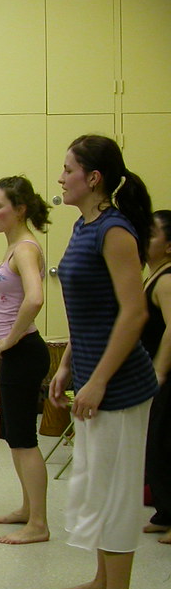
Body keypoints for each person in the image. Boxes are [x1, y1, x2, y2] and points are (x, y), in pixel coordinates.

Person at [48, 134, 157, 589]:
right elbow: (91, 312)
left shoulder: (115, 231)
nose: (61, 177)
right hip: (92, 373)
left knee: (116, 490)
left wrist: (98, 382)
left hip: (120, 384)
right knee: (95, 482)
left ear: (93, 178)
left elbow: (133, 314)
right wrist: (70, 364)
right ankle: (101, 582)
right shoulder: (83, 225)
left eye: (68, 169)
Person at [0, 176, 52, 545]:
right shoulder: (14, 247)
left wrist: (10, 339)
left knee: (24, 438)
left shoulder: (25, 249)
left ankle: (39, 523)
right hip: (14, 354)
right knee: (14, 436)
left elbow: (35, 298)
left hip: (23, 352)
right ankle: (28, 508)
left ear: (20, 209)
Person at [141, 210, 171, 542]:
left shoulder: (167, 280)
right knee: (155, 445)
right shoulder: (152, 275)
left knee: (166, 444)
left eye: (152, 235)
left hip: (165, 375)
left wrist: (160, 371)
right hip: (153, 374)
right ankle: (164, 512)